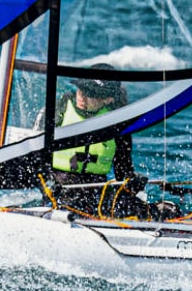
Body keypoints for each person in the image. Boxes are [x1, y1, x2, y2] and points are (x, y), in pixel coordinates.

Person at [37, 72, 166, 219]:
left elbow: (123, 171)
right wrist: (46, 182)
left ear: (107, 100)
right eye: (81, 89)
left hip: (97, 190)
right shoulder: (59, 108)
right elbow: (35, 156)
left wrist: (132, 183)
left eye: (90, 93)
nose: (82, 96)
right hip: (59, 187)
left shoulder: (117, 122)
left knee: (147, 213)